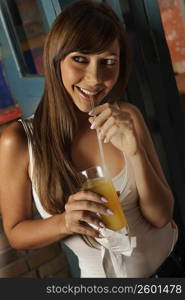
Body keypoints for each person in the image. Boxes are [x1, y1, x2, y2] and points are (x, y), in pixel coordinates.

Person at [0, 0, 178, 278]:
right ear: (56, 59)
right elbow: (16, 233)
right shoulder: (19, 140)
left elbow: (161, 216)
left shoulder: (127, 117)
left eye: (109, 62)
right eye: (80, 59)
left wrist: (136, 153)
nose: (95, 78)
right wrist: (65, 222)